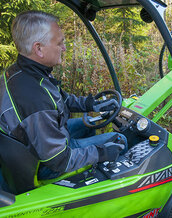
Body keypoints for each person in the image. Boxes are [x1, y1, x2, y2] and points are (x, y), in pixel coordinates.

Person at [0, 10, 127, 181]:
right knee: (119, 140)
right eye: (59, 43)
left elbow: (61, 98)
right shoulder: (35, 99)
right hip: (45, 164)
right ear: (38, 48)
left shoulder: (24, 72)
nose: (64, 48)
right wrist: (101, 153)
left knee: (89, 124)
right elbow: (58, 160)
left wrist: (90, 104)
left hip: (39, 142)